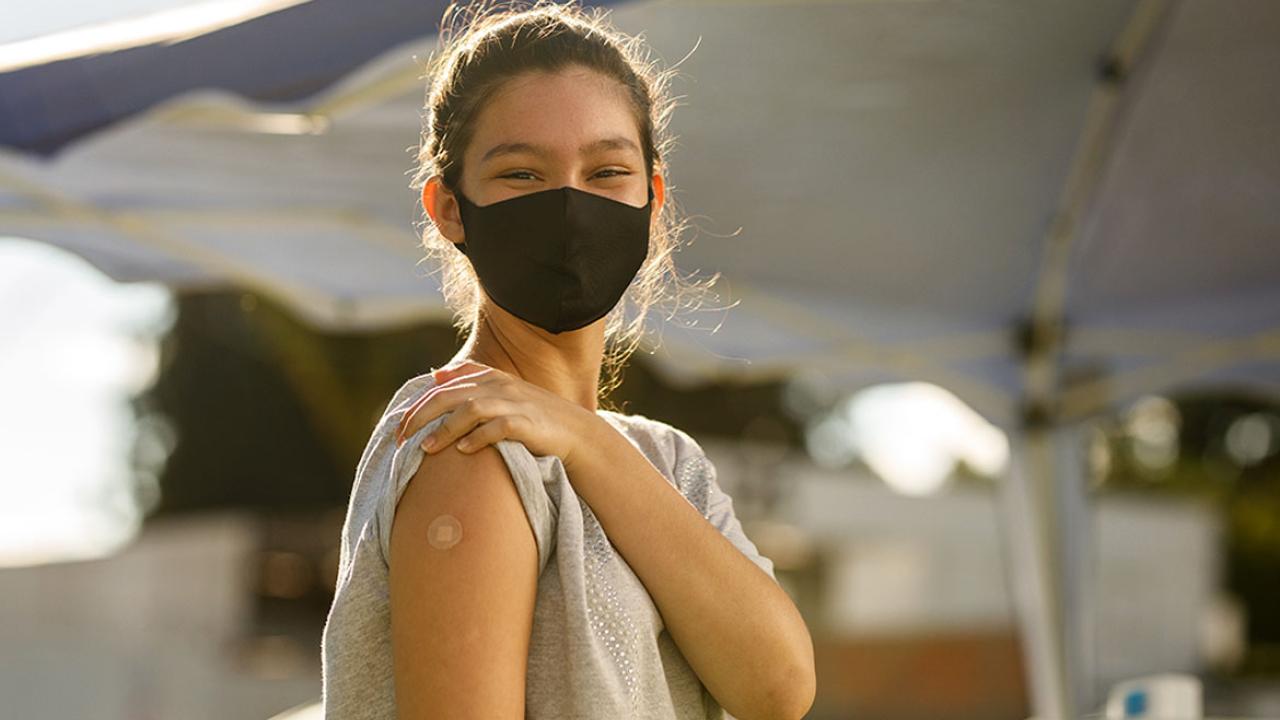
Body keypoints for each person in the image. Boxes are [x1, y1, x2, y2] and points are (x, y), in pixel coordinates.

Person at [320, 1, 816, 718]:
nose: (570, 206)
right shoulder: (468, 438)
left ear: (653, 198)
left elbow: (780, 687)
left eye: (608, 171)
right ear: (449, 208)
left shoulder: (669, 461)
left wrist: (585, 438)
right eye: (522, 174)